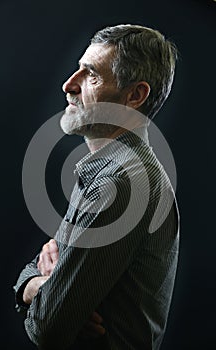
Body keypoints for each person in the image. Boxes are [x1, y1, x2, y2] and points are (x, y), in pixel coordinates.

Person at [13, 24, 180, 349]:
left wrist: (37, 290)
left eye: (90, 75)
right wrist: (39, 286)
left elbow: (48, 327)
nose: (68, 85)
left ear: (135, 95)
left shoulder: (120, 184)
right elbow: (51, 299)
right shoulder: (107, 172)